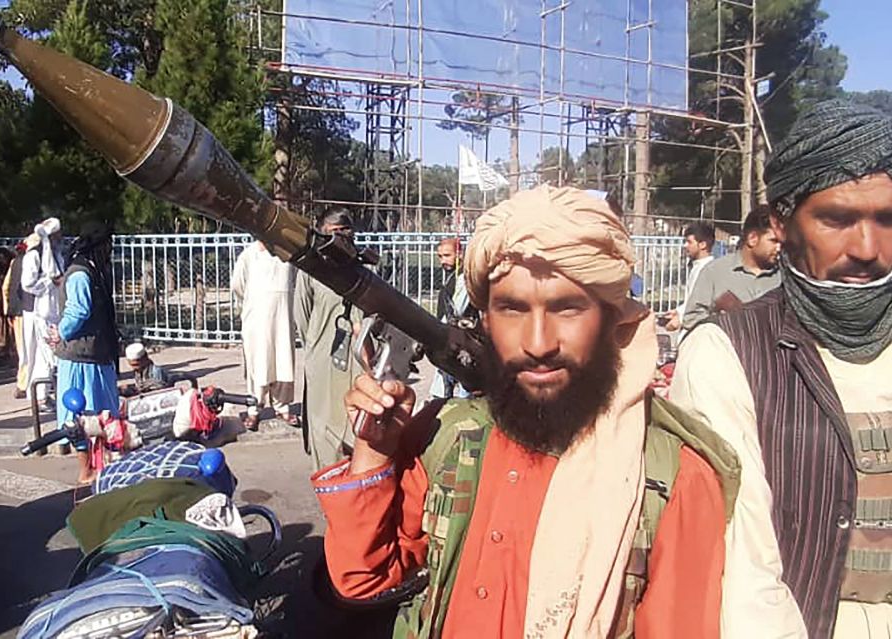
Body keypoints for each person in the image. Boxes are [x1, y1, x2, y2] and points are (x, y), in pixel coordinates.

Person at [313, 185, 741, 638]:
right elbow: (362, 582)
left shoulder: (671, 479)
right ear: (485, 320)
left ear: (611, 318)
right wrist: (374, 454)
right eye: (513, 309)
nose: (538, 343)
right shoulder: (452, 437)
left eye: (568, 308)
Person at [670, 99, 892, 639]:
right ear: (784, 223)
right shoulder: (729, 352)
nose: (866, 248)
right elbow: (744, 573)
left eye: (891, 218)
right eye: (836, 219)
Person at [47, 221, 120, 484]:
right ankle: (86, 469)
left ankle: (100, 464)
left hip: (93, 355)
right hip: (81, 358)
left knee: (100, 412)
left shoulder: (90, 270)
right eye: (109, 245)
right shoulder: (80, 274)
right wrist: (61, 332)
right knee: (82, 415)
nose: (111, 251)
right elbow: (78, 311)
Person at [293, 209, 363, 470]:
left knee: (358, 428)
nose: (342, 237)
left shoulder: (363, 269)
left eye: (346, 231)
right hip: (323, 361)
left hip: (359, 363)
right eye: (334, 232)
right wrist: (317, 346)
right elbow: (301, 317)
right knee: (324, 431)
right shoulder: (311, 271)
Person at [231, 238, 297, 430]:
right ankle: (254, 409)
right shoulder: (248, 255)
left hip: (283, 318)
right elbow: (238, 286)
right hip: (257, 319)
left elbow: (294, 281)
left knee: (283, 361)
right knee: (258, 363)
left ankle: (282, 406)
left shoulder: (287, 255)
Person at [680, 205, 781, 330]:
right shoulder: (715, 272)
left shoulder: (784, 278)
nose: (779, 248)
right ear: (752, 239)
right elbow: (691, 319)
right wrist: (725, 320)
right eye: (774, 241)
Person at [21, 217, 64, 406]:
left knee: (44, 355)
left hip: (58, 309)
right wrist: (50, 282)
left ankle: (41, 395)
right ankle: (42, 393)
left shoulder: (57, 254)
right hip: (44, 310)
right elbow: (27, 284)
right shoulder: (34, 255)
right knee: (49, 353)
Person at [430, 237, 477, 399]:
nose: (443, 260)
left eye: (447, 255)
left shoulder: (465, 278)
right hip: (448, 340)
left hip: (463, 340)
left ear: (460, 254)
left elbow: (456, 311)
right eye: (440, 256)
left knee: (466, 391)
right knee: (440, 391)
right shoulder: (453, 278)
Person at [665, 221, 716, 332]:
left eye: (689, 242)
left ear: (702, 245)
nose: (685, 246)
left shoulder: (709, 270)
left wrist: (681, 320)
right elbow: (692, 300)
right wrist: (678, 311)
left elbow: (703, 306)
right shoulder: (697, 267)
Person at [2, 240, 31, 398]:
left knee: (23, 349)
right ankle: (25, 383)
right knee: (30, 349)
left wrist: (8, 310)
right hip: (30, 311)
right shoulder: (34, 260)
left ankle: (23, 383)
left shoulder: (14, 263)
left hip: (17, 312)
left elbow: (5, 287)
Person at [119, 342, 184, 397]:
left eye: (136, 365)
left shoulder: (155, 372)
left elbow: (158, 393)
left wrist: (135, 391)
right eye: (131, 365)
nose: (134, 368)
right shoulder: (139, 371)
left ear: (145, 359)